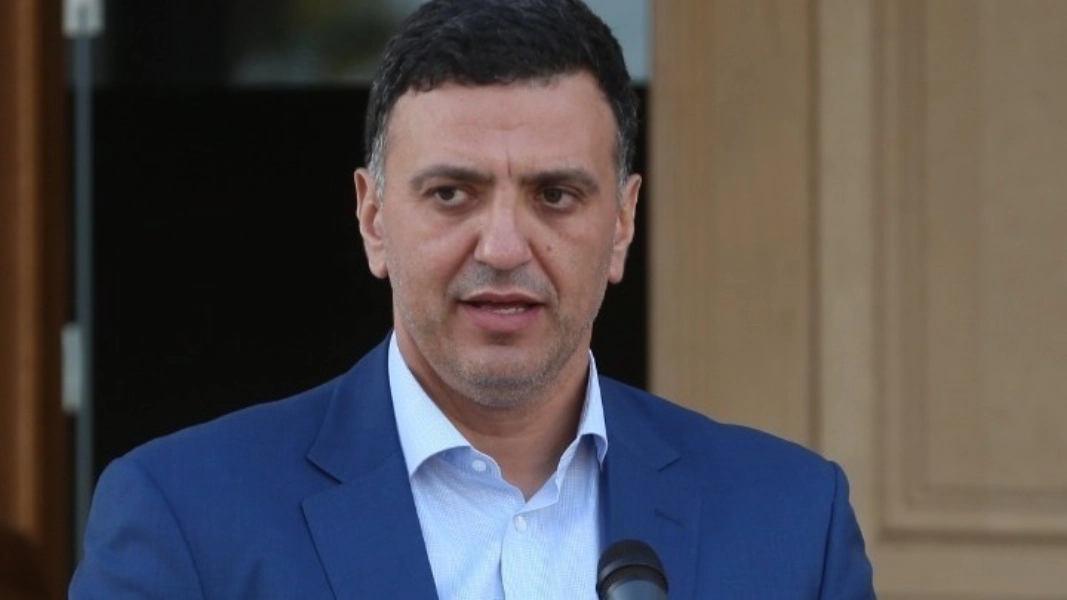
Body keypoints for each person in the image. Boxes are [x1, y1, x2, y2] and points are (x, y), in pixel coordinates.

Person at [71, 0, 875, 597]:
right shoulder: (186, 515)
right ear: (373, 219)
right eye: (452, 194)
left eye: (555, 195)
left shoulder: (790, 522)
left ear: (622, 224)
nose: (502, 248)